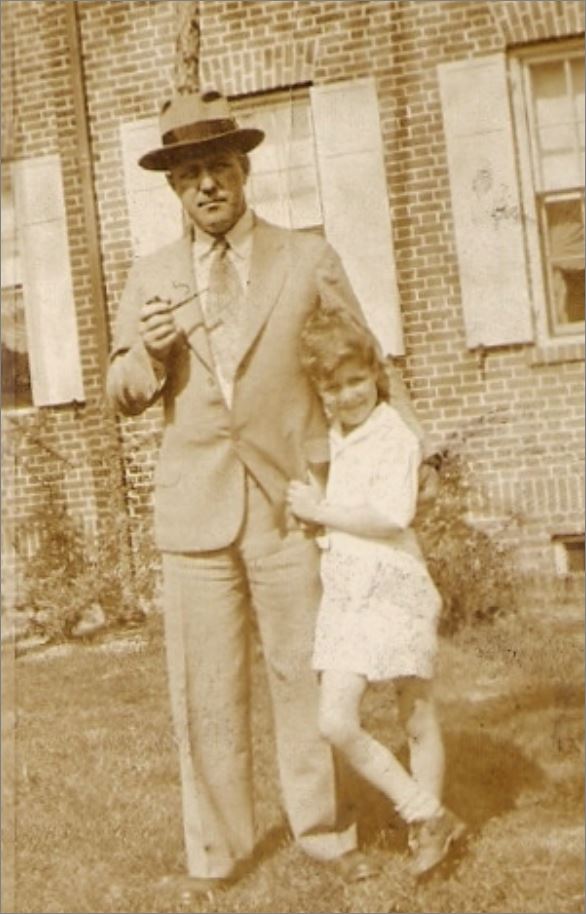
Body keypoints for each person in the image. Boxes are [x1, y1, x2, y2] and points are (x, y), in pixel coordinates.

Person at [107, 89, 429, 899]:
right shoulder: (151, 277)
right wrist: (149, 355)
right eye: (189, 176)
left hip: (294, 502)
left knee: (305, 672)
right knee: (205, 687)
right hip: (196, 509)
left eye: (219, 167)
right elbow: (121, 391)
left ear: (244, 171)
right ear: (173, 188)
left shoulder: (306, 257)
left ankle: (325, 833)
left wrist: (390, 462)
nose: (207, 185)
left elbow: (363, 360)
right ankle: (217, 855)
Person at [287, 307, 466, 878]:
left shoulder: (395, 436)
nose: (348, 395)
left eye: (357, 380)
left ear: (375, 375)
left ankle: (425, 834)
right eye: (334, 387)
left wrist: (321, 511)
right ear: (321, 391)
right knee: (335, 720)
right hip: (347, 595)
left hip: (394, 586)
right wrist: (314, 510)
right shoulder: (335, 436)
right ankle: (427, 812)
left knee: (416, 715)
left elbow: (391, 515)